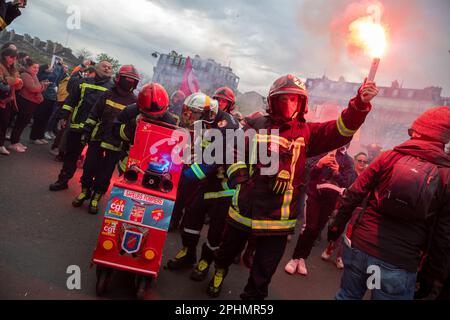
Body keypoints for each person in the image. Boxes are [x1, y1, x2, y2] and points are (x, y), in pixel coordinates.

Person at [207, 74, 378, 299]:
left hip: (279, 219)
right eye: (285, 99)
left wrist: (359, 105)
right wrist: (241, 179)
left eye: (295, 100)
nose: (290, 104)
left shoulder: (308, 132)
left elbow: (341, 129)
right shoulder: (257, 124)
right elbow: (235, 152)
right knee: (226, 252)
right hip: (244, 209)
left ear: (302, 103)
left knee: (262, 275)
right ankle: (219, 273)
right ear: (273, 101)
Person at [328, 106, 450, 300]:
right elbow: (443, 235)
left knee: (347, 296)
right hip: (400, 262)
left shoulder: (389, 157)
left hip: (362, 248)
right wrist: (431, 277)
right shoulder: (445, 174)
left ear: (418, 131)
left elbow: (354, 193)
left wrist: (335, 228)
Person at [166, 92, 240, 282]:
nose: (192, 117)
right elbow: (196, 151)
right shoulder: (206, 123)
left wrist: (181, 175)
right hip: (208, 182)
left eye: (195, 113)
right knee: (191, 217)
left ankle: (205, 261)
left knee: (216, 229)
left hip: (225, 187)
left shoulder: (227, 127)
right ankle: (188, 253)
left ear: (208, 112)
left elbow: (208, 163)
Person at [72, 65, 140, 214]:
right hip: (97, 139)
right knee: (89, 167)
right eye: (126, 80)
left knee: (105, 173)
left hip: (116, 145)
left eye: (132, 81)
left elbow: (132, 128)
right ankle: (84, 191)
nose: (128, 83)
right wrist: (86, 133)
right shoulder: (108, 94)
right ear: (118, 79)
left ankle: (96, 196)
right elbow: (94, 114)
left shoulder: (135, 103)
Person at [284, 143, 356, 276]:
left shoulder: (348, 161)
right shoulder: (322, 151)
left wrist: (337, 172)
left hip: (331, 199)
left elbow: (347, 183)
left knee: (316, 231)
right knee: (309, 228)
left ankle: (302, 259)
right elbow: (308, 173)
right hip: (314, 195)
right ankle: (294, 258)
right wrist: (319, 164)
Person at [49, 61, 114, 191]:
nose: (107, 68)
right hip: (78, 126)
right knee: (71, 156)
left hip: (98, 131)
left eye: (110, 67)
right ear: (96, 68)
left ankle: (87, 188)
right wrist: (64, 116)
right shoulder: (83, 82)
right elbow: (71, 100)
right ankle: (62, 181)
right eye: (104, 66)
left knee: (93, 161)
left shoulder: (113, 88)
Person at [9, 58, 49, 152]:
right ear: (28, 67)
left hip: (31, 102)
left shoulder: (33, 75)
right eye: (34, 67)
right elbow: (33, 88)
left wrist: (40, 86)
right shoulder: (25, 74)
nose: (36, 70)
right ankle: (13, 142)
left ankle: (16, 141)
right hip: (25, 102)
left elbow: (37, 87)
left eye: (38, 68)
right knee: (20, 123)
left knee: (23, 123)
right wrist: (42, 86)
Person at [29, 62, 65, 144]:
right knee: (40, 118)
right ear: (45, 69)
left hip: (51, 99)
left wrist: (61, 68)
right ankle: (34, 137)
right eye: (49, 67)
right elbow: (54, 77)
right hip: (44, 98)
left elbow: (58, 77)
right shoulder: (43, 75)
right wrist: (58, 66)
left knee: (45, 119)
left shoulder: (50, 75)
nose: (52, 68)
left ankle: (40, 136)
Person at [0, 47, 22, 155]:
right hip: (2, 98)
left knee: (4, 123)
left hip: (9, 99)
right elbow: (3, 83)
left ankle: (1, 144)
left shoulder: (12, 68)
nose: (13, 60)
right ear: (4, 55)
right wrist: (15, 81)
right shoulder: (1, 66)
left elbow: (12, 84)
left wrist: (18, 83)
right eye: (11, 57)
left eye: (14, 58)